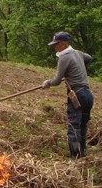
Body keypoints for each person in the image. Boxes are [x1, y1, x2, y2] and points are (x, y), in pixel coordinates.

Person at [41, 31, 94, 159]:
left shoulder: (64, 58)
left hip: (77, 95)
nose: (55, 47)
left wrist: (48, 83)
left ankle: (75, 158)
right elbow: (89, 58)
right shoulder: (78, 53)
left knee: (73, 126)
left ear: (64, 44)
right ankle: (83, 154)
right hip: (88, 95)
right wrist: (77, 68)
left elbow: (57, 80)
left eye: (57, 44)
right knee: (82, 125)